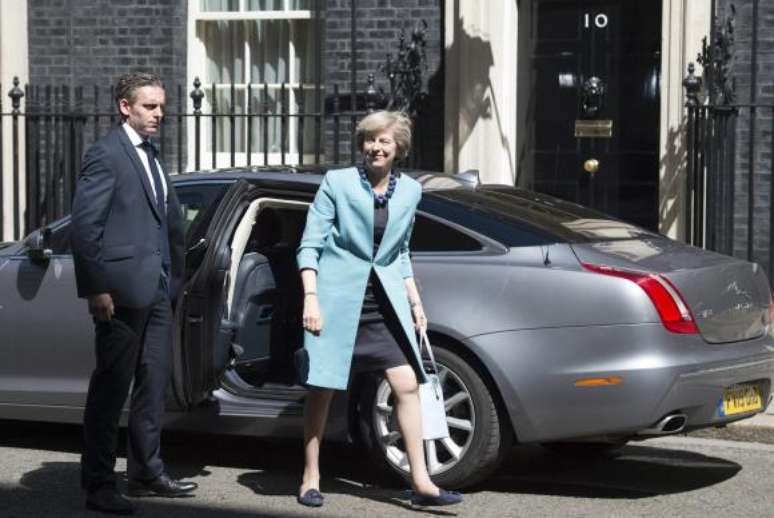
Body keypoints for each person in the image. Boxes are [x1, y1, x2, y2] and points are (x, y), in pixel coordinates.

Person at [295, 110, 463, 508]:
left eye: (384, 141)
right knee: (322, 389)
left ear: (398, 148)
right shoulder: (337, 183)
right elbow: (309, 245)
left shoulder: (410, 193)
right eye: (370, 140)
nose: (376, 147)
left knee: (407, 384)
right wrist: (311, 297)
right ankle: (310, 475)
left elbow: (400, 253)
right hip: (336, 299)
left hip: (382, 303)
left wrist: (415, 303)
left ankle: (421, 481)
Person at [71, 72, 197, 515]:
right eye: (150, 106)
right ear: (126, 106)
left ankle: (145, 472)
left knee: (153, 383)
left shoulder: (151, 154)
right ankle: (99, 484)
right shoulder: (106, 155)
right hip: (121, 291)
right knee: (111, 388)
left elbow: (166, 222)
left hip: (158, 288)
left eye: (161, 106)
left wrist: (175, 279)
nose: (159, 114)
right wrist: (96, 287)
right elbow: (86, 228)